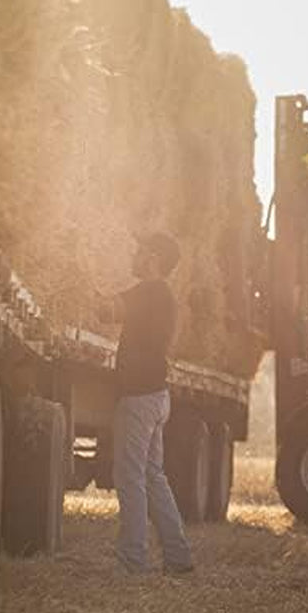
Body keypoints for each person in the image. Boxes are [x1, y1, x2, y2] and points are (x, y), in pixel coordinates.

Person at [98, 232, 193, 575]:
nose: (134, 255)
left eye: (139, 251)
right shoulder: (163, 295)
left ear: (152, 257)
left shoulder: (149, 291)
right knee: (152, 476)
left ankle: (133, 560)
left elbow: (105, 311)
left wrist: (80, 282)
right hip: (156, 395)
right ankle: (178, 557)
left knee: (130, 477)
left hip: (138, 398)